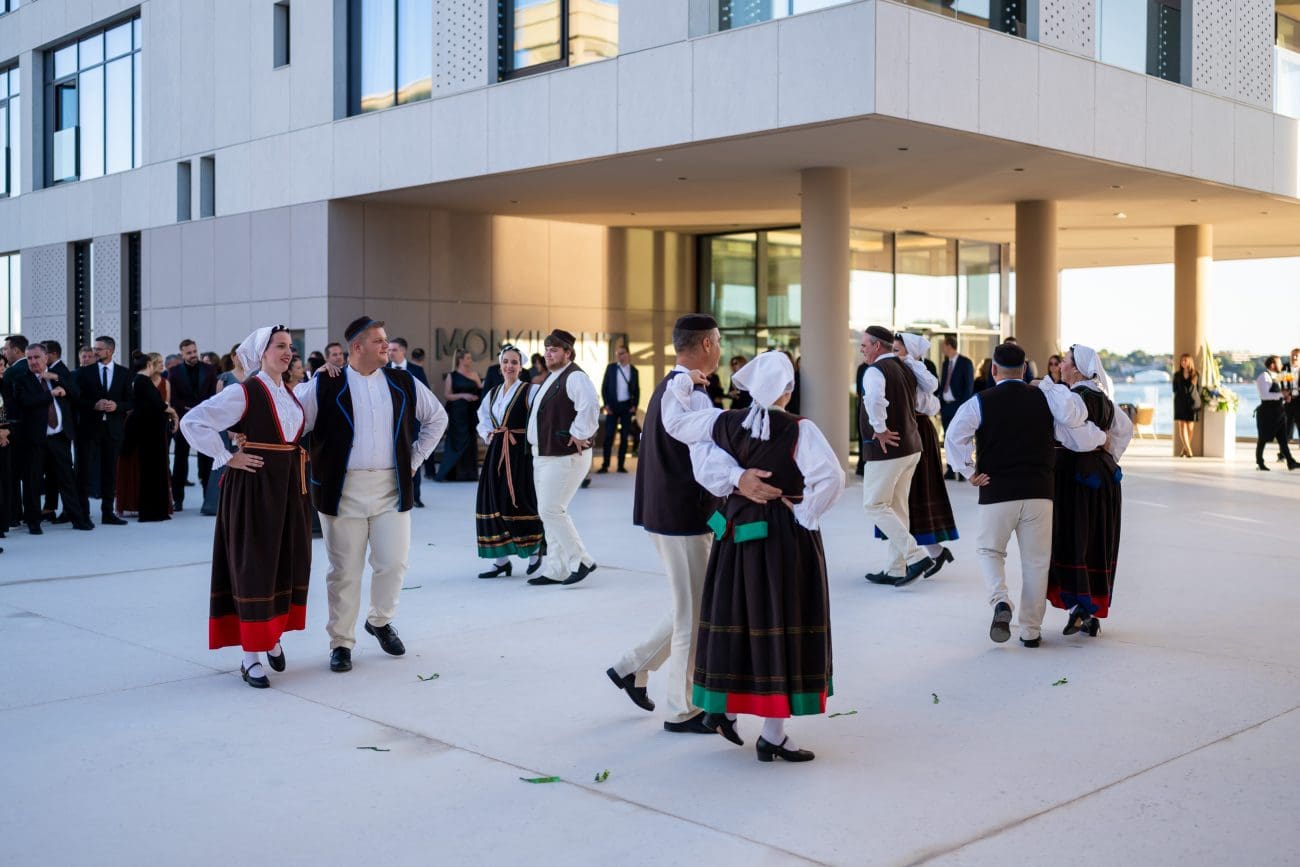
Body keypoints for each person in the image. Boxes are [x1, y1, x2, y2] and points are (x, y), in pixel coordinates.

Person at [661, 350, 844, 762]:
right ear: (788, 390)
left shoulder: (722, 422)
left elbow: (675, 426)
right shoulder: (799, 429)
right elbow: (831, 477)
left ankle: (722, 708)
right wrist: (805, 514)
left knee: (737, 619)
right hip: (783, 537)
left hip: (735, 535)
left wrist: (682, 385)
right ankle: (772, 734)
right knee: (779, 622)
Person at [609, 315, 762, 739]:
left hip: (672, 514)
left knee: (690, 605)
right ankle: (682, 709)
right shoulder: (689, 392)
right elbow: (707, 457)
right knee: (693, 616)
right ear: (707, 344)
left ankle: (632, 667)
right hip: (682, 517)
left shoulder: (670, 385)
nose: (720, 348)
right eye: (718, 341)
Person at [294, 317, 448, 673]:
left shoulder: (402, 381)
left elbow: (437, 418)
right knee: (344, 571)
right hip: (341, 489)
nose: (386, 346)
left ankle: (379, 620)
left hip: (391, 486)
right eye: (379, 341)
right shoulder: (325, 384)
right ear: (357, 347)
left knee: (393, 562)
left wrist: (414, 459)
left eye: (386, 340)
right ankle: (341, 642)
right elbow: (293, 423)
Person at [181, 326, 312, 688]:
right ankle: (250, 656)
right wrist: (227, 456)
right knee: (254, 565)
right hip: (255, 489)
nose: (287, 352)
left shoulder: (288, 392)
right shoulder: (244, 391)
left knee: (284, 562)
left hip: (287, 489)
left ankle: (272, 636)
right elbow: (193, 421)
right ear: (261, 353)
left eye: (290, 347)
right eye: (279, 346)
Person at [944, 342, 1081, 648]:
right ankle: (1030, 631)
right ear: (1025, 370)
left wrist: (968, 471)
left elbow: (954, 436)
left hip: (997, 490)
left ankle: (1000, 601)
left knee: (989, 551)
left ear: (993, 370)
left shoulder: (980, 401)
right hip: (1040, 492)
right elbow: (1069, 433)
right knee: (1037, 562)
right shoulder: (1045, 398)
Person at [1043, 345, 1134, 637]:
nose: (1060, 366)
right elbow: (1125, 430)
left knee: (1072, 538)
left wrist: (1046, 388)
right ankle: (1091, 613)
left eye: (1065, 362)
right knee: (1096, 541)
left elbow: (1073, 431)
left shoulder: (1074, 398)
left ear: (1078, 369)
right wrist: (1107, 447)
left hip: (1076, 479)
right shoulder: (1104, 400)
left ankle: (1079, 607)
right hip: (1104, 478)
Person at [874, 333, 957, 580]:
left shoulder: (916, 371)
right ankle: (916, 557)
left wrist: (910, 362)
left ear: (910, 352)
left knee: (912, 495)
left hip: (917, 434)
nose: (893, 353)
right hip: (905, 432)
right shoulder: (894, 370)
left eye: (897, 349)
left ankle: (918, 557)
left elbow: (930, 399)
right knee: (901, 499)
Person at [525, 329, 601, 587]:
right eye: (547, 349)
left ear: (568, 353)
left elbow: (590, 405)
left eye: (554, 350)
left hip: (564, 455)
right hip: (545, 454)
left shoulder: (575, 376)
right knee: (550, 512)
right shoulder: (553, 376)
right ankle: (556, 568)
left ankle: (581, 560)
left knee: (550, 510)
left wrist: (580, 432)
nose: (549, 354)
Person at [860, 325, 934, 586]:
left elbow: (874, 400)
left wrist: (879, 429)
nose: (861, 349)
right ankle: (895, 569)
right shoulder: (904, 367)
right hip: (911, 447)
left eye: (864, 345)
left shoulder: (875, 371)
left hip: (888, 450)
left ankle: (916, 556)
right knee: (898, 507)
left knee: (874, 505)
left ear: (877, 345)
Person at [474, 344, 544, 578]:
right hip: (496, 453)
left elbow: (542, 417)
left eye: (514, 362)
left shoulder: (531, 391)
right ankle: (501, 560)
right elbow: (483, 418)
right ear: (500, 365)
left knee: (520, 500)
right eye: (505, 362)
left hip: (520, 454)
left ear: (521, 366)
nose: (509, 366)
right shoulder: (493, 393)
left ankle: (534, 550)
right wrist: (488, 434)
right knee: (493, 501)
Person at [12, 343, 94, 533]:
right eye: (29, 358)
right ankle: (33, 522)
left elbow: (76, 393)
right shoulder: (22, 380)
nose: (33, 361)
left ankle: (78, 519)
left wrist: (56, 379)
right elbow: (26, 402)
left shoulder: (58, 377)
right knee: (32, 482)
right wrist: (50, 394)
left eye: (36, 357)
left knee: (67, 480)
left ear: (46, 358)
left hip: (59, 438)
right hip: (35, 440)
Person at [75, 335, 133, 526]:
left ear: (110, 350)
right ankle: (83, 514)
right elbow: (76, 399)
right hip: (88, 429)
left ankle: (108, 513)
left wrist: (117, 406)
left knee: (110, 472)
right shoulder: (84, 372)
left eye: (98, 349)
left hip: (113, 430)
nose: (95, 352)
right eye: (94, 348)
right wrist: (94, 405)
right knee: (84, 472)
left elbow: (130, 401)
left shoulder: (124, 373)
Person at [116, 352, 176, 522]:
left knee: (153, 470)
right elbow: (156, 404)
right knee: (151, 471)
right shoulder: (142, 381)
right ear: (149, 365)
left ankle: (155, 510)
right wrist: (172, 411)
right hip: (149, 433)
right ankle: (151, 511)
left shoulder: (140, 381)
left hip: (150, 431)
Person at [167, 339, 218, 509]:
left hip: (204, 421)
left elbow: (213, 395)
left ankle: (208, 500)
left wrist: (200, 408)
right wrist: (188, 408)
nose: (193, 355)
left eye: (194, 351)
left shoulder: (209, 370)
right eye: (189, 353)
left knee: (206, 461)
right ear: (182, 354)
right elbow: (173, 398)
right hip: (184, 421)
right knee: (180, 461)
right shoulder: (174, 372)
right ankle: (178, 500)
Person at [39, 341, 80, 522]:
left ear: (53, 354)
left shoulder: (60, 371)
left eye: (44, 354)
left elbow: (75, 392)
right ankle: (49, 507)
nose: (41, 358)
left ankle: (70, 512)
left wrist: (55, 377)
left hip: (61, 433)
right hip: (46, 434)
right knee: (51, 473)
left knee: (64, 475)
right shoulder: (42, 372)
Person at [388, 337, 430, 506]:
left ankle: (415, 496)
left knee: (414, 457)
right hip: (390, 422)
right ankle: (395, 495)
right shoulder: (383, 369)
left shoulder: (416, 370)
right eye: (389, 350)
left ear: (404, 351)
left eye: (394, 350)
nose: (390, 353)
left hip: (412, 422)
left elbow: (426, 394)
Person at [436, 349, 482, 482]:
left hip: (471, 412)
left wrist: (475, 396)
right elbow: (447, 395)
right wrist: (463, 395)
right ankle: (452, 474)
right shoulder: (451, 376)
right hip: (457, 413)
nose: (470, 360)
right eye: (468, 358)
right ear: (460, 360)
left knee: (470, 441)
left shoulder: (474, 374)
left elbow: (481, 390)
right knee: (456, 441)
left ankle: (469, 474)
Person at [937, 335, 974, 479]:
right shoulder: (946, 363)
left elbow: (968, 387)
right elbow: (943, 383)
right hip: (946, 406)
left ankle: (964, 471)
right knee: (948, 438)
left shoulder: (965, 363)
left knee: (961, 439)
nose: (942, 349)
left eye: (944, 346)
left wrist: (963, 407)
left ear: (949, 346)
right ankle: (951, 470)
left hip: (959, 406)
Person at [598, 345, 640, 474]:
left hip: (626, 407)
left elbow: (637, 390)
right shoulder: (611, 368)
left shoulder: (634, 370)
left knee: (624, 437)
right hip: (612, 406)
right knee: (609, 435)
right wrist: (606, 405)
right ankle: (605, 465)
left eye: (622, 353)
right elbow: (604, 387)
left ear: (628, 354)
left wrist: (634, 405)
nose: (619, 356)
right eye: (618, 353)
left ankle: (621, 466)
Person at [1255, 356, 1298, 471]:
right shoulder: (1263, 377)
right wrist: (1281, 395)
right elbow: (1265, 396)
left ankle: (1290, 462)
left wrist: (1285, 397)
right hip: (1267, 413)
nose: (1282, 365)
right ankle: (1260, 462)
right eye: (1279, 363)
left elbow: (1280, 391)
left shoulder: (1277, 376)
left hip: (1279, 413)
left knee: (1283, 440)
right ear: (1272, 365)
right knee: (1263, 439)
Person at [1172, 353, 1200, 459]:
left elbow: (1199, 390)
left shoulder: (1196, 374)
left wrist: (1196, 401)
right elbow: (1174, 389)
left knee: (1190, 428)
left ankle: (1184, 450)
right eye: (1182, 360)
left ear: (1189, 361)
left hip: (1193, 404)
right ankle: (1189, 450)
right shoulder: (1177, 375)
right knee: (1182, 425)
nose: (1183, 362)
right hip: (1180, 403)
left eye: (1185, 360)